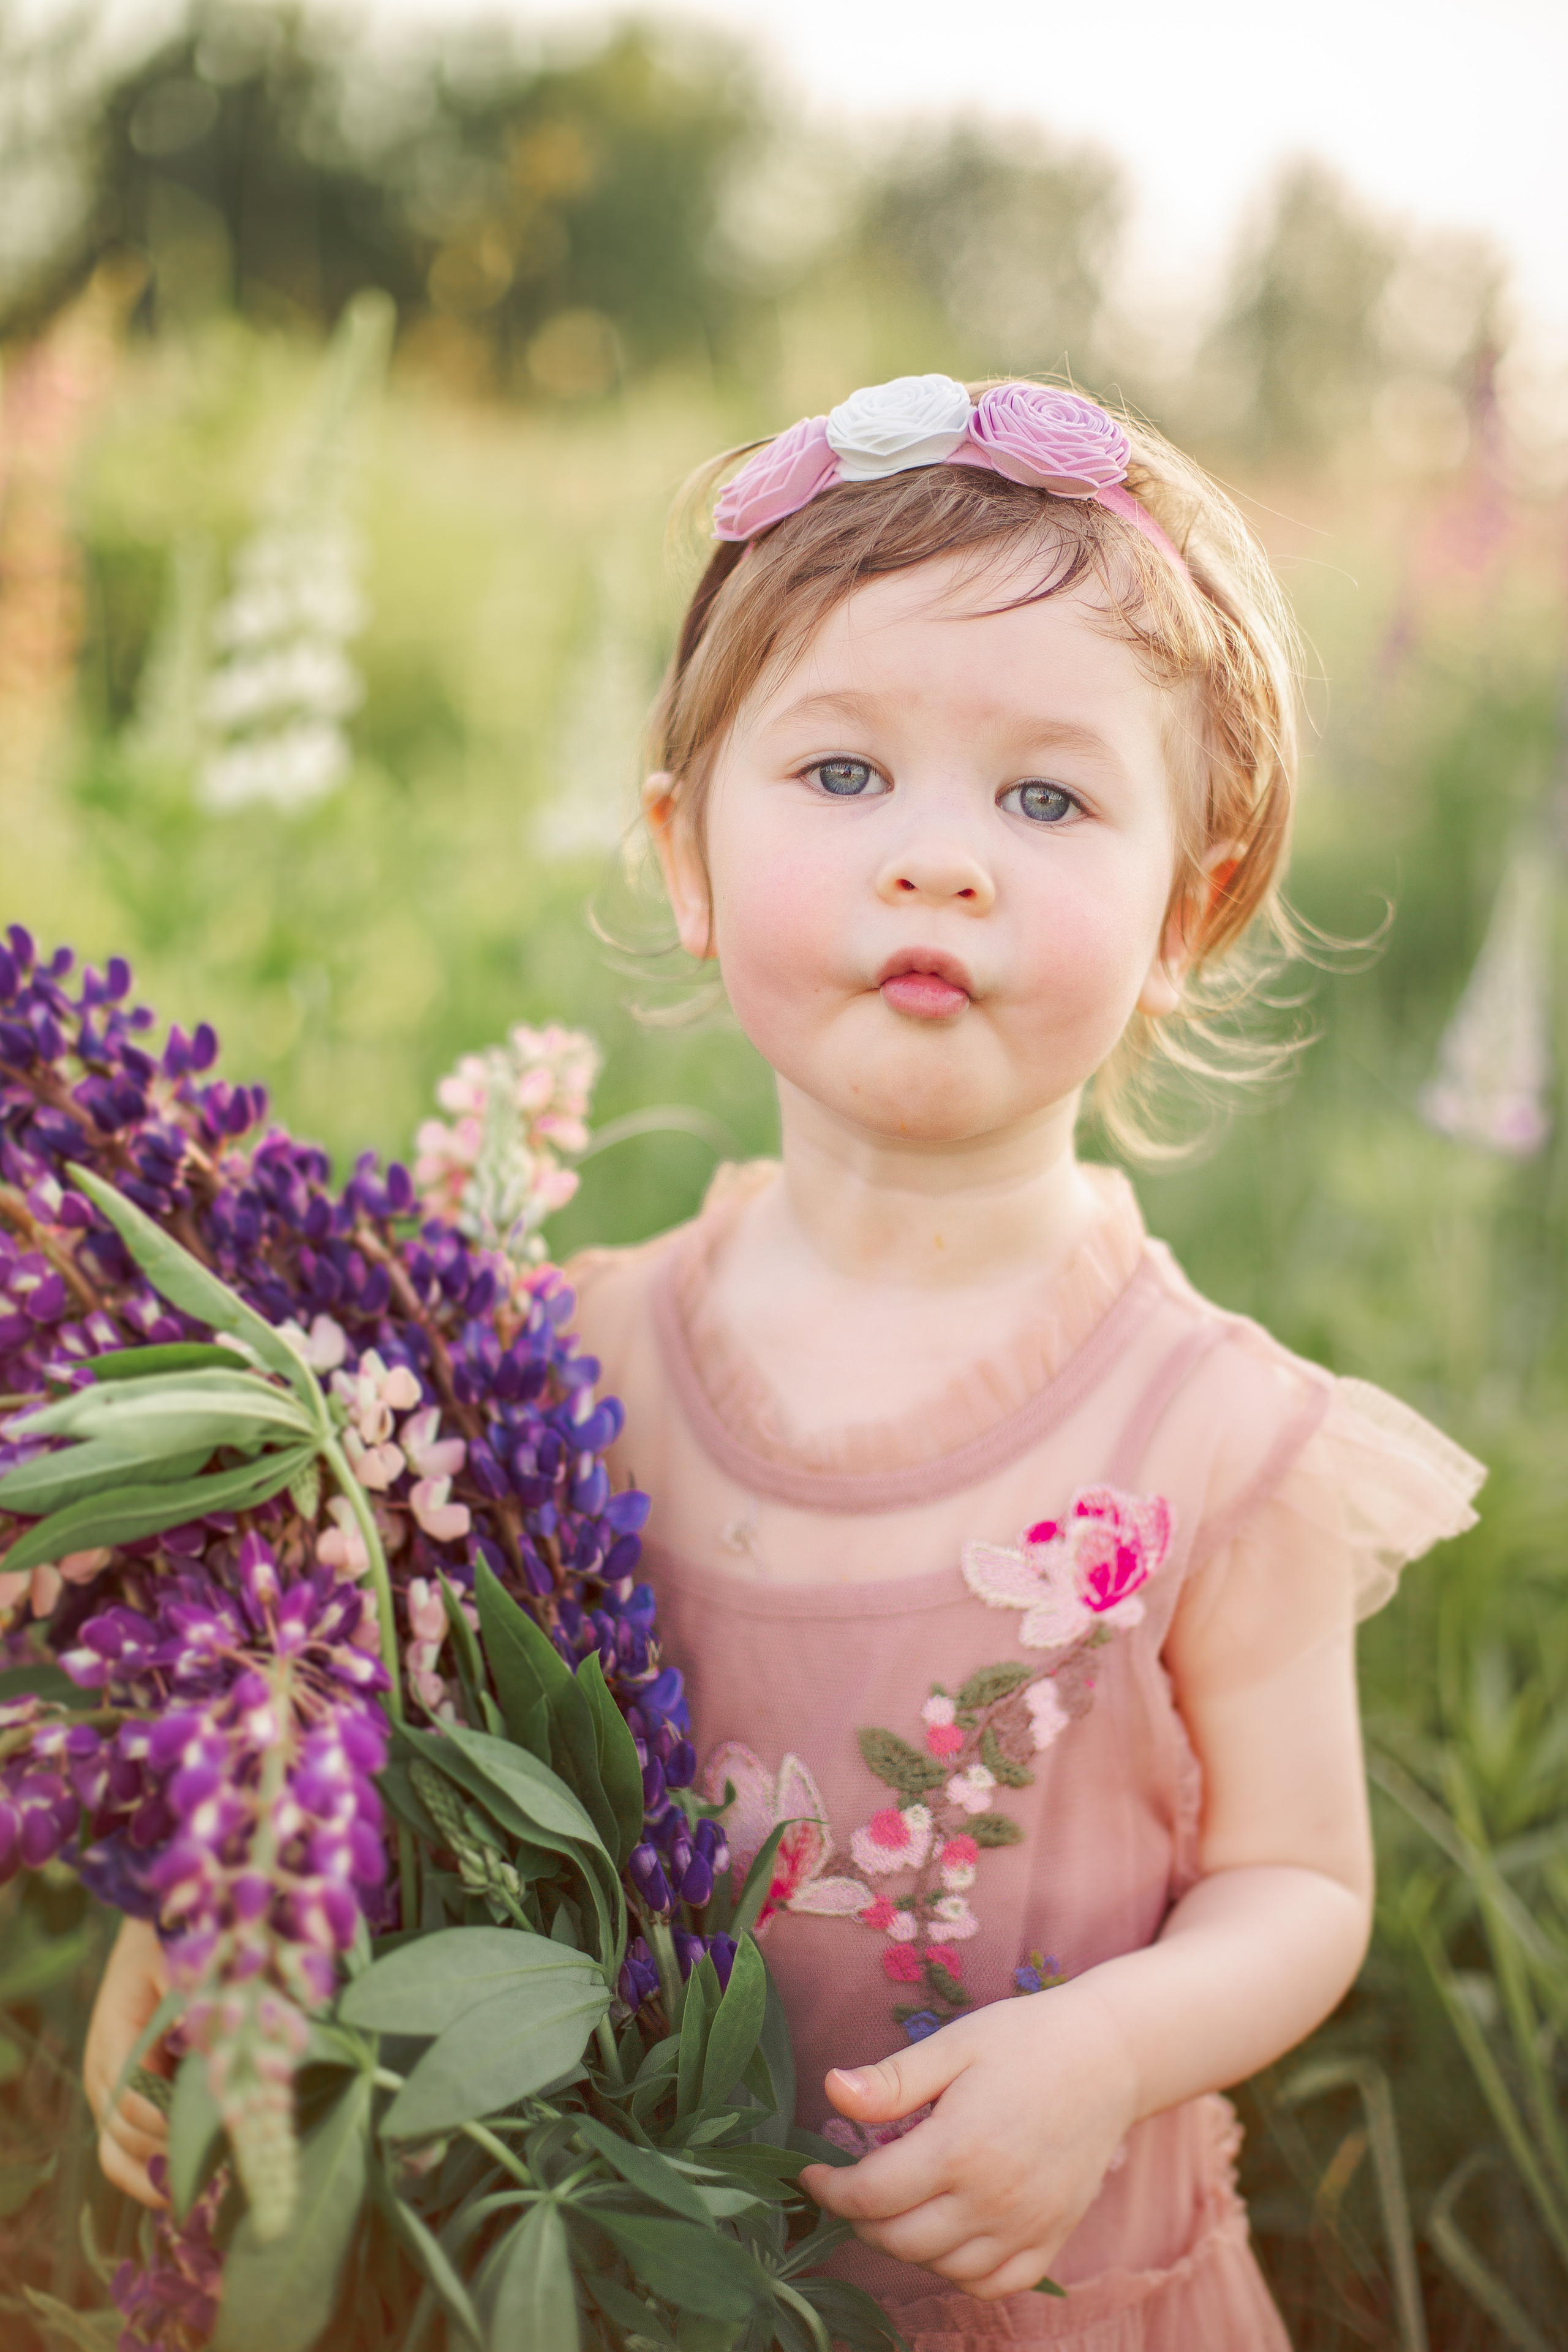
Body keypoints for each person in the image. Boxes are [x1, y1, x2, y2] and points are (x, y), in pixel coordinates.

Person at [86, 375, 1484, 2348]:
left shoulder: (1219, 1437)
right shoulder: (548, 1355)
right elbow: (365, 1715)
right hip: (629, 2275)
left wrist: (1106, 2056)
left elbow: (1300, 1890)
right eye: (843, 776)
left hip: (1057, 2293)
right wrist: (211, 1904)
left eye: (1047, 797)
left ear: (1190, 906)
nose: (941, 860)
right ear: (686, 852)